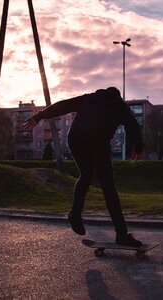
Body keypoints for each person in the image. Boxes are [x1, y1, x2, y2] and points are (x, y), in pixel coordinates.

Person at [24, 87, 143, 247]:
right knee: (108, 188)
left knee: (86, 175)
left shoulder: (89, 98)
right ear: (117, 96)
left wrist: (38, 116)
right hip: (98, 143)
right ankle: (121, 235)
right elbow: (132, 124)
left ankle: (75, 214)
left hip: (76, 140)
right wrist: (138, 146)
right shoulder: (119, 104)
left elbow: (63, 105)